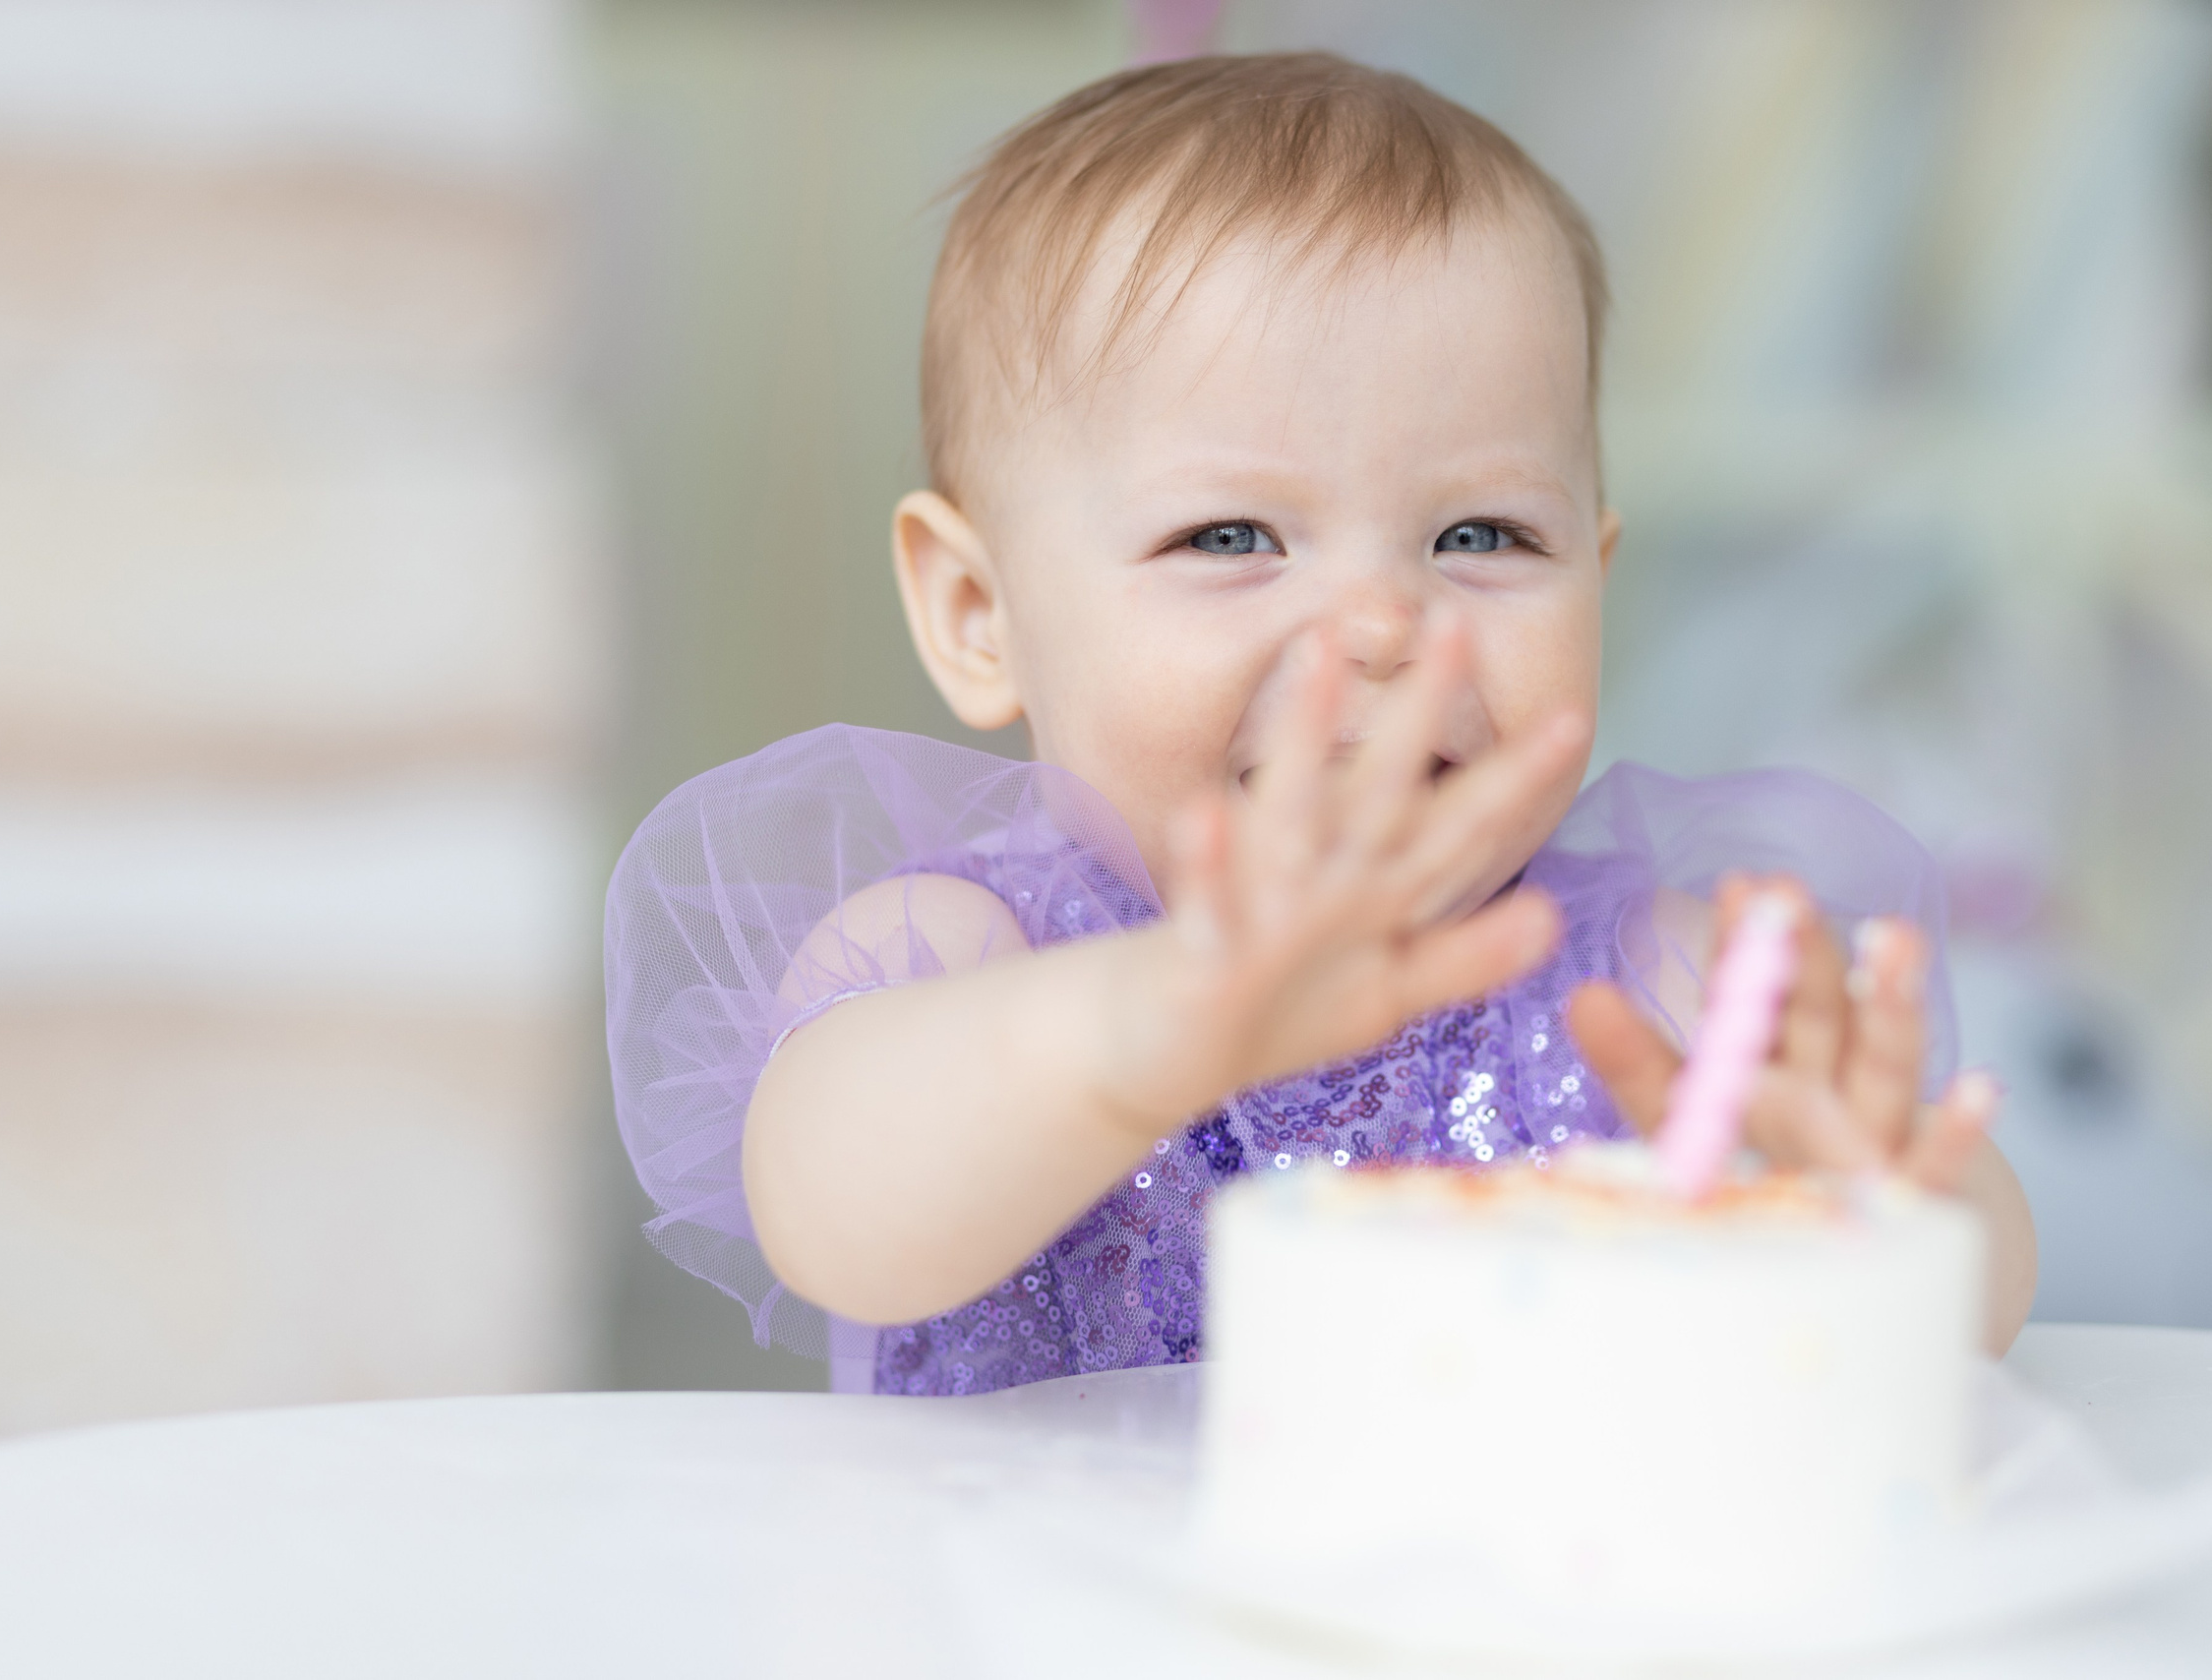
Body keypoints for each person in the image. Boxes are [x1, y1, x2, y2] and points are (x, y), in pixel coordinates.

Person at [604, 52, 2038, 1397]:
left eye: (1482, 534)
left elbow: (1985, 1313)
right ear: (982, 614)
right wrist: (1138, 1025)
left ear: (1595, 584)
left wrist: (1882, 1208)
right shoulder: (959, 958)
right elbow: (836, 1218)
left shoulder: (1647, 989)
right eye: (1231, 536)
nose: (1380, 623)